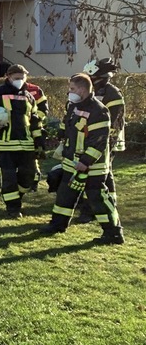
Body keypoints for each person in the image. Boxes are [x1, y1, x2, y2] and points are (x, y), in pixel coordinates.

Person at [41, 73, 124, 245]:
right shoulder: (73, 105)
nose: (69, 92)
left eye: (72, 88)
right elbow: (67, 124)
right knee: (65, 195)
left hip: (92, 166)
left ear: (82, 89)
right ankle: (58, 225)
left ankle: (114, 233)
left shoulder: (98, 110)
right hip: (72, 163)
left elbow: (99, 141)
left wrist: (85, 162)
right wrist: (60, 133)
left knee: (98, 199)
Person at [0, 64, 45, 218]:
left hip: (26, 145)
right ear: (8, 77)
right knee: (9, 178)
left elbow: (35, 120)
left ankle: (15, 197)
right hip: (5, 145)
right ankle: (13, 209)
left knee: (29, 176)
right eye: (17, 78)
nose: (20, 81)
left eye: (23, 78)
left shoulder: (29, 97)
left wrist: (39, 140)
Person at [74, 58, 125, 224]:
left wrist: (104, 144)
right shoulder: (93, 92)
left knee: (98, 176)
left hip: (106, 142)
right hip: (91, 141)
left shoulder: (112, 94)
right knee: (102, 175)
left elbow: (115, 122)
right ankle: (102, 204)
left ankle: (92, 209)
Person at [0, 79, 49, 190]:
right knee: (7, 161)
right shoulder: (5, 91)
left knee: (32, 157)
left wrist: (34, 120)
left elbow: (43, 108)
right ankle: (1, 179)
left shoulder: (35, 89)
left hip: (32, 128)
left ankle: (33, 181)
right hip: (13, 132)